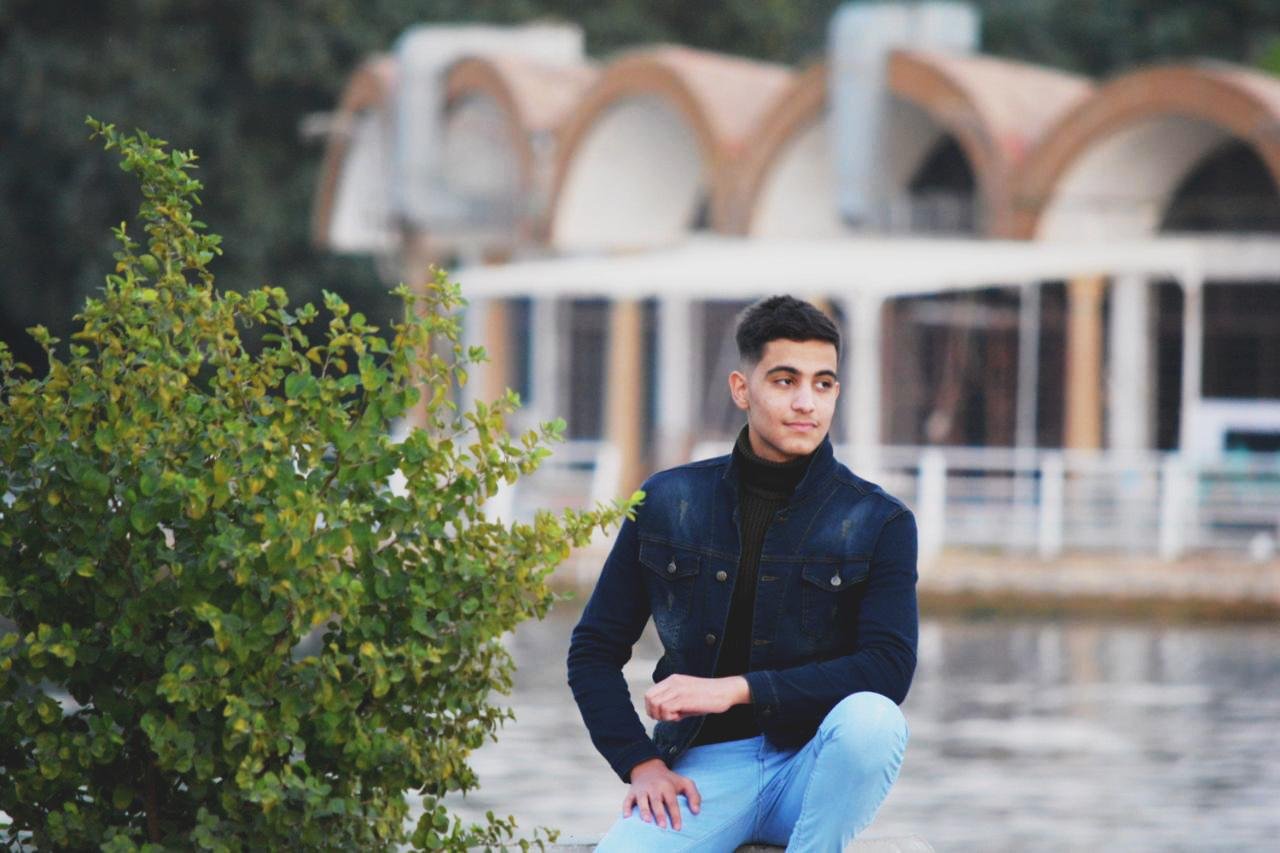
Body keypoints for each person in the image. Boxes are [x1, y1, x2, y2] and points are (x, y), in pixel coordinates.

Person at [567, 295, 918, 852]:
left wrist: (734, 690)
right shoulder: (668, 501)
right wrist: (640, 764)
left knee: (874, 720)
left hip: (813, 768)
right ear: (741, 388)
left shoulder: (881, 521)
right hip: (704, 773)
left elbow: (889, 668)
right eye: (785, 381)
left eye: (823, 384)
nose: (806, 402)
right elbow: (592, 650)